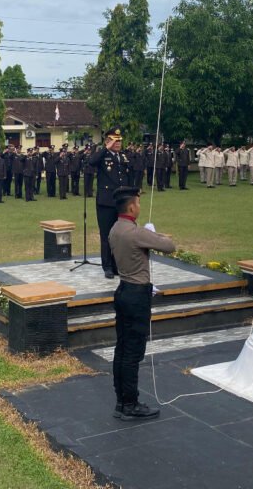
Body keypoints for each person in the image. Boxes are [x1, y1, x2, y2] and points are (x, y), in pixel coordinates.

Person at [108, 186, 176, 420]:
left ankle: (121, 401)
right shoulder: (135, 233)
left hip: (124, 289)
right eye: (137, 203)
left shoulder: (115, 228)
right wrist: (154, 234)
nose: (139, 207)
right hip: (136, 295)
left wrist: (149, 234)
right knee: (133, 352)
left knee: (122, 348)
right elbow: (169, 246)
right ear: (131, 207)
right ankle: (130, 403)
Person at [88, 126, 130, 278]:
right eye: (114, 141)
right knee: (106, 235)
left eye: (119, 141)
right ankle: (107, 266)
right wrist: (106, 148)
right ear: (108, 141)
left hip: (121, 202)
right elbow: (91, 162)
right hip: (106, 202)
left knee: (120, 235)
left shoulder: (122, 157)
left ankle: (116, 265)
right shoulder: (102, 155)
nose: (118, 144)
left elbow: (127, 178)